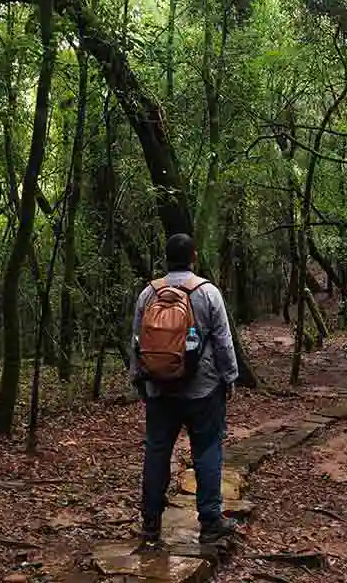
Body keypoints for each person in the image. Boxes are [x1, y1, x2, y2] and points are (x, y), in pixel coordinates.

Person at [130, 233, 240, 546]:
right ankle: (209, 522)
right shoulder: (208, 293)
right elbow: (223, 339)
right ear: (194, 256)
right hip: (203, 388)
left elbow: (137, 341)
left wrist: (138, 377)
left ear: (166, 258)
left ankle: (150, 522)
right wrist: (230, 377)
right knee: (207, 449)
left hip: (159, 389)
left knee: (156, 451)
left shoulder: (148, 294)